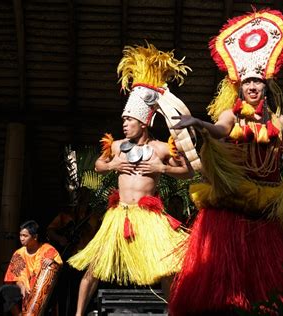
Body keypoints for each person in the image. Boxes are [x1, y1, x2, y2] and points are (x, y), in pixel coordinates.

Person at [169, 9, 283, 315]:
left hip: (268, 206)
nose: (252, 87)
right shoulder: (231, 116)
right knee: (225, 280)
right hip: (232, 204)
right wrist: (198, 122)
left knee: (268, 283)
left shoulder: (281, 122)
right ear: (240, 86)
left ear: (265, 86)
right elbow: (221, 130)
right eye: (247, 82)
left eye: (257, 83)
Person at [67, 43, 198, 316]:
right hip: (119, 214)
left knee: (166, 267)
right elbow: (100, 164)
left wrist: (163, 170)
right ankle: (79, 314)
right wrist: (114, 163)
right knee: (96, 265)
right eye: (124, 119)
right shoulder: (116, 146)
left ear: (143, 122)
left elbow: (188, 170)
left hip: (150, 216)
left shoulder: (162, 148)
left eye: (129, 119)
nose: (124, 123)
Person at [47, 186, 101, 316]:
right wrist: (60, 238)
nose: (82, 199)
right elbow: (50, 230)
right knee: (64, 289)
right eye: (80, 195)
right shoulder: (66, 214)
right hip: (68, 255)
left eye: (85, 196)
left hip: (86, 258)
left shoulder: (94, 216)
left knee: (83, 289)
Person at [2, 220, 62, 315]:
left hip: (43, 293)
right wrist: (22, 286)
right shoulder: (18, 253)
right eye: (21, 235)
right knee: (6, 290)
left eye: (25, 236)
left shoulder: (48, 249)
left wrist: (53, 262)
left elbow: (58, 266)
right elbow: (13, 277)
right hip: (25, 292)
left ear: (35, 237)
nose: (21, 238)